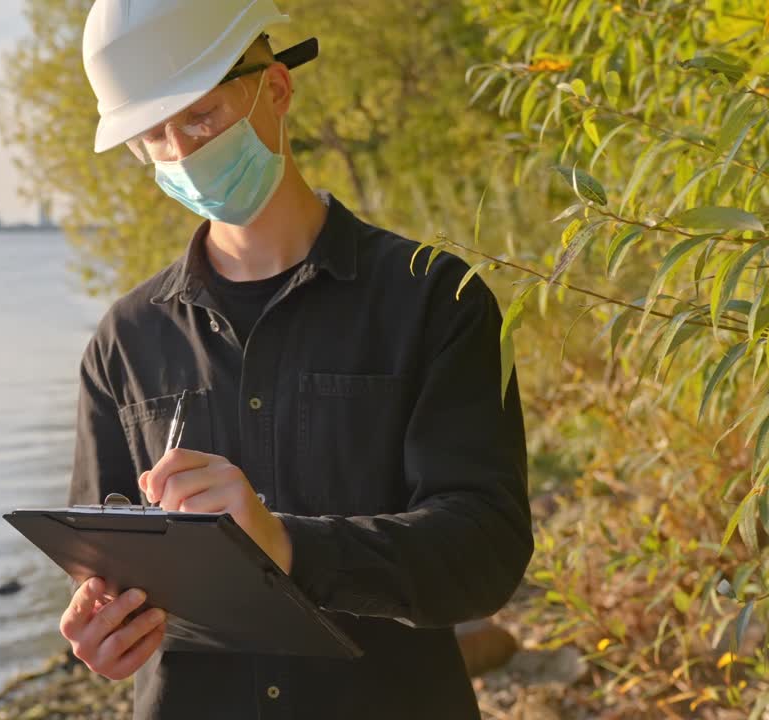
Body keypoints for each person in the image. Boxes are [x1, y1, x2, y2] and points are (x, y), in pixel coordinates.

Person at [59, 0, 534, 716]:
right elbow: (104, 559)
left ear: (276, 88)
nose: (184, 153)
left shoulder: (434, 299)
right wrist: (104, 631)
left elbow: (486, 552)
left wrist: (286, 547)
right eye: (155, 136)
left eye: (202, 117)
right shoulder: (123, 342)